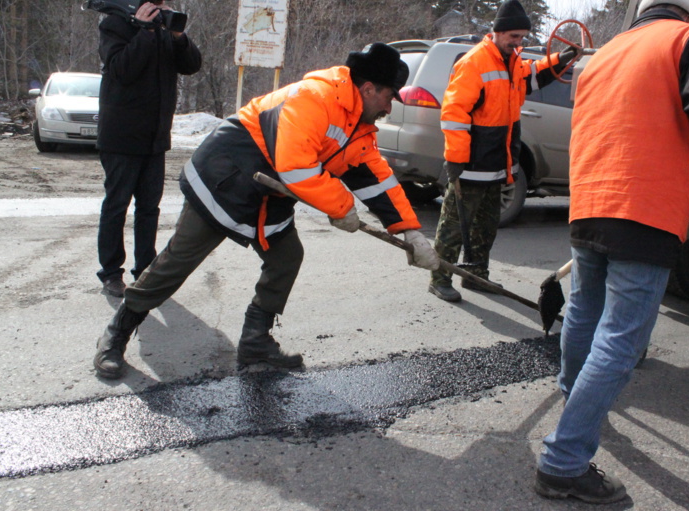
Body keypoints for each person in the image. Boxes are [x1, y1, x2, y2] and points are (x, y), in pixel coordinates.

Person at [534, 0, 689, 503]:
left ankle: (575, 399)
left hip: (590, 200)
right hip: (643, 207)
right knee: (620, 340)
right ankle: (563, 462)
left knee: (585, 313)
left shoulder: (606, 53)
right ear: (688, 13)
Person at [93, 42, 440, 379]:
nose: (389, 107)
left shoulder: (359, 126)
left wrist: (408, 230)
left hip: (268, 192)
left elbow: (376, 179)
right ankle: (116, 334)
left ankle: (255, 342)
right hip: (227, 177)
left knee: (286, 256)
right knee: (177, 261)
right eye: (389, 96)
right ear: (367, 88)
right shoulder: (315, 97)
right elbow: (297, 167)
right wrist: (342, 206)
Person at [429, 0, 578, 303]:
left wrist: (560, 60)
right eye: (513, 37)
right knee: (455, 225)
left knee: (486, 225)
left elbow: (533, 77)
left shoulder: (512, 63)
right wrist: (455, 160)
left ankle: (475, 275)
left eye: (522, 37)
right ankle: (439, 278)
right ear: (496, 32)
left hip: (496, 163)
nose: (518, 42)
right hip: (470, 164)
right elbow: (454, 114)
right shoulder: (474, 63)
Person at [96, 0, 202, 298]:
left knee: (149, 209)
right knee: (117, 205)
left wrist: (178, 36)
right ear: (140, 4)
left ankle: (144, 270)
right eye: (156, 4)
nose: (162, 10)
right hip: (120, 137)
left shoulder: (166, 31)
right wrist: (144, 30)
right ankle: (111, 273)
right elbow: (121, 70)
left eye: (165, 5)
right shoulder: (115, 25)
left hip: (155, 138)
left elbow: (192, 65)